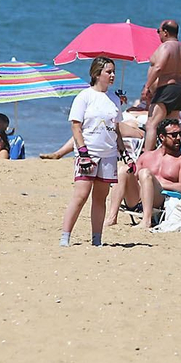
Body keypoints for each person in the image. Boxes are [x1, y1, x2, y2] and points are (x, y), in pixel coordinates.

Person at [60, 57, 125, 247]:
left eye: (113, 72)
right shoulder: (84, 96)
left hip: (109, 154)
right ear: (97, 74)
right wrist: (83, 153)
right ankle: (65, 237)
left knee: (100, 198)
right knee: (81, 195)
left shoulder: (114, 99)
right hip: (88, 153)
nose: (112, 75)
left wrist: (125, 153)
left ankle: (97, 239)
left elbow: (116, 128)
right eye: (108, 72)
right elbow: (76, 127)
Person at [109, 117, 181, 229]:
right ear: (162, 137)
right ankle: (112, 217)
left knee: (145, 173)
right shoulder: (147, 156)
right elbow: (132, 177)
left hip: (160, 199)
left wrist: (155, 183)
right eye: (174, 135)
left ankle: (146, 220)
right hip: (136, 198)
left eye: (180, 134)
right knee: (124, 170)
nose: (179, 138)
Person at [138, 19, 181, 152]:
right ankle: (171, 155)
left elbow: (158, 67)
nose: (159, 34)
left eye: (159, 31)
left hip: (166, 89)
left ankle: (147, 156)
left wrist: (147, 86)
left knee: (151, 124)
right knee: (172, 126)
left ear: (166, 32)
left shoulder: (166, 47)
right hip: (179, 89)